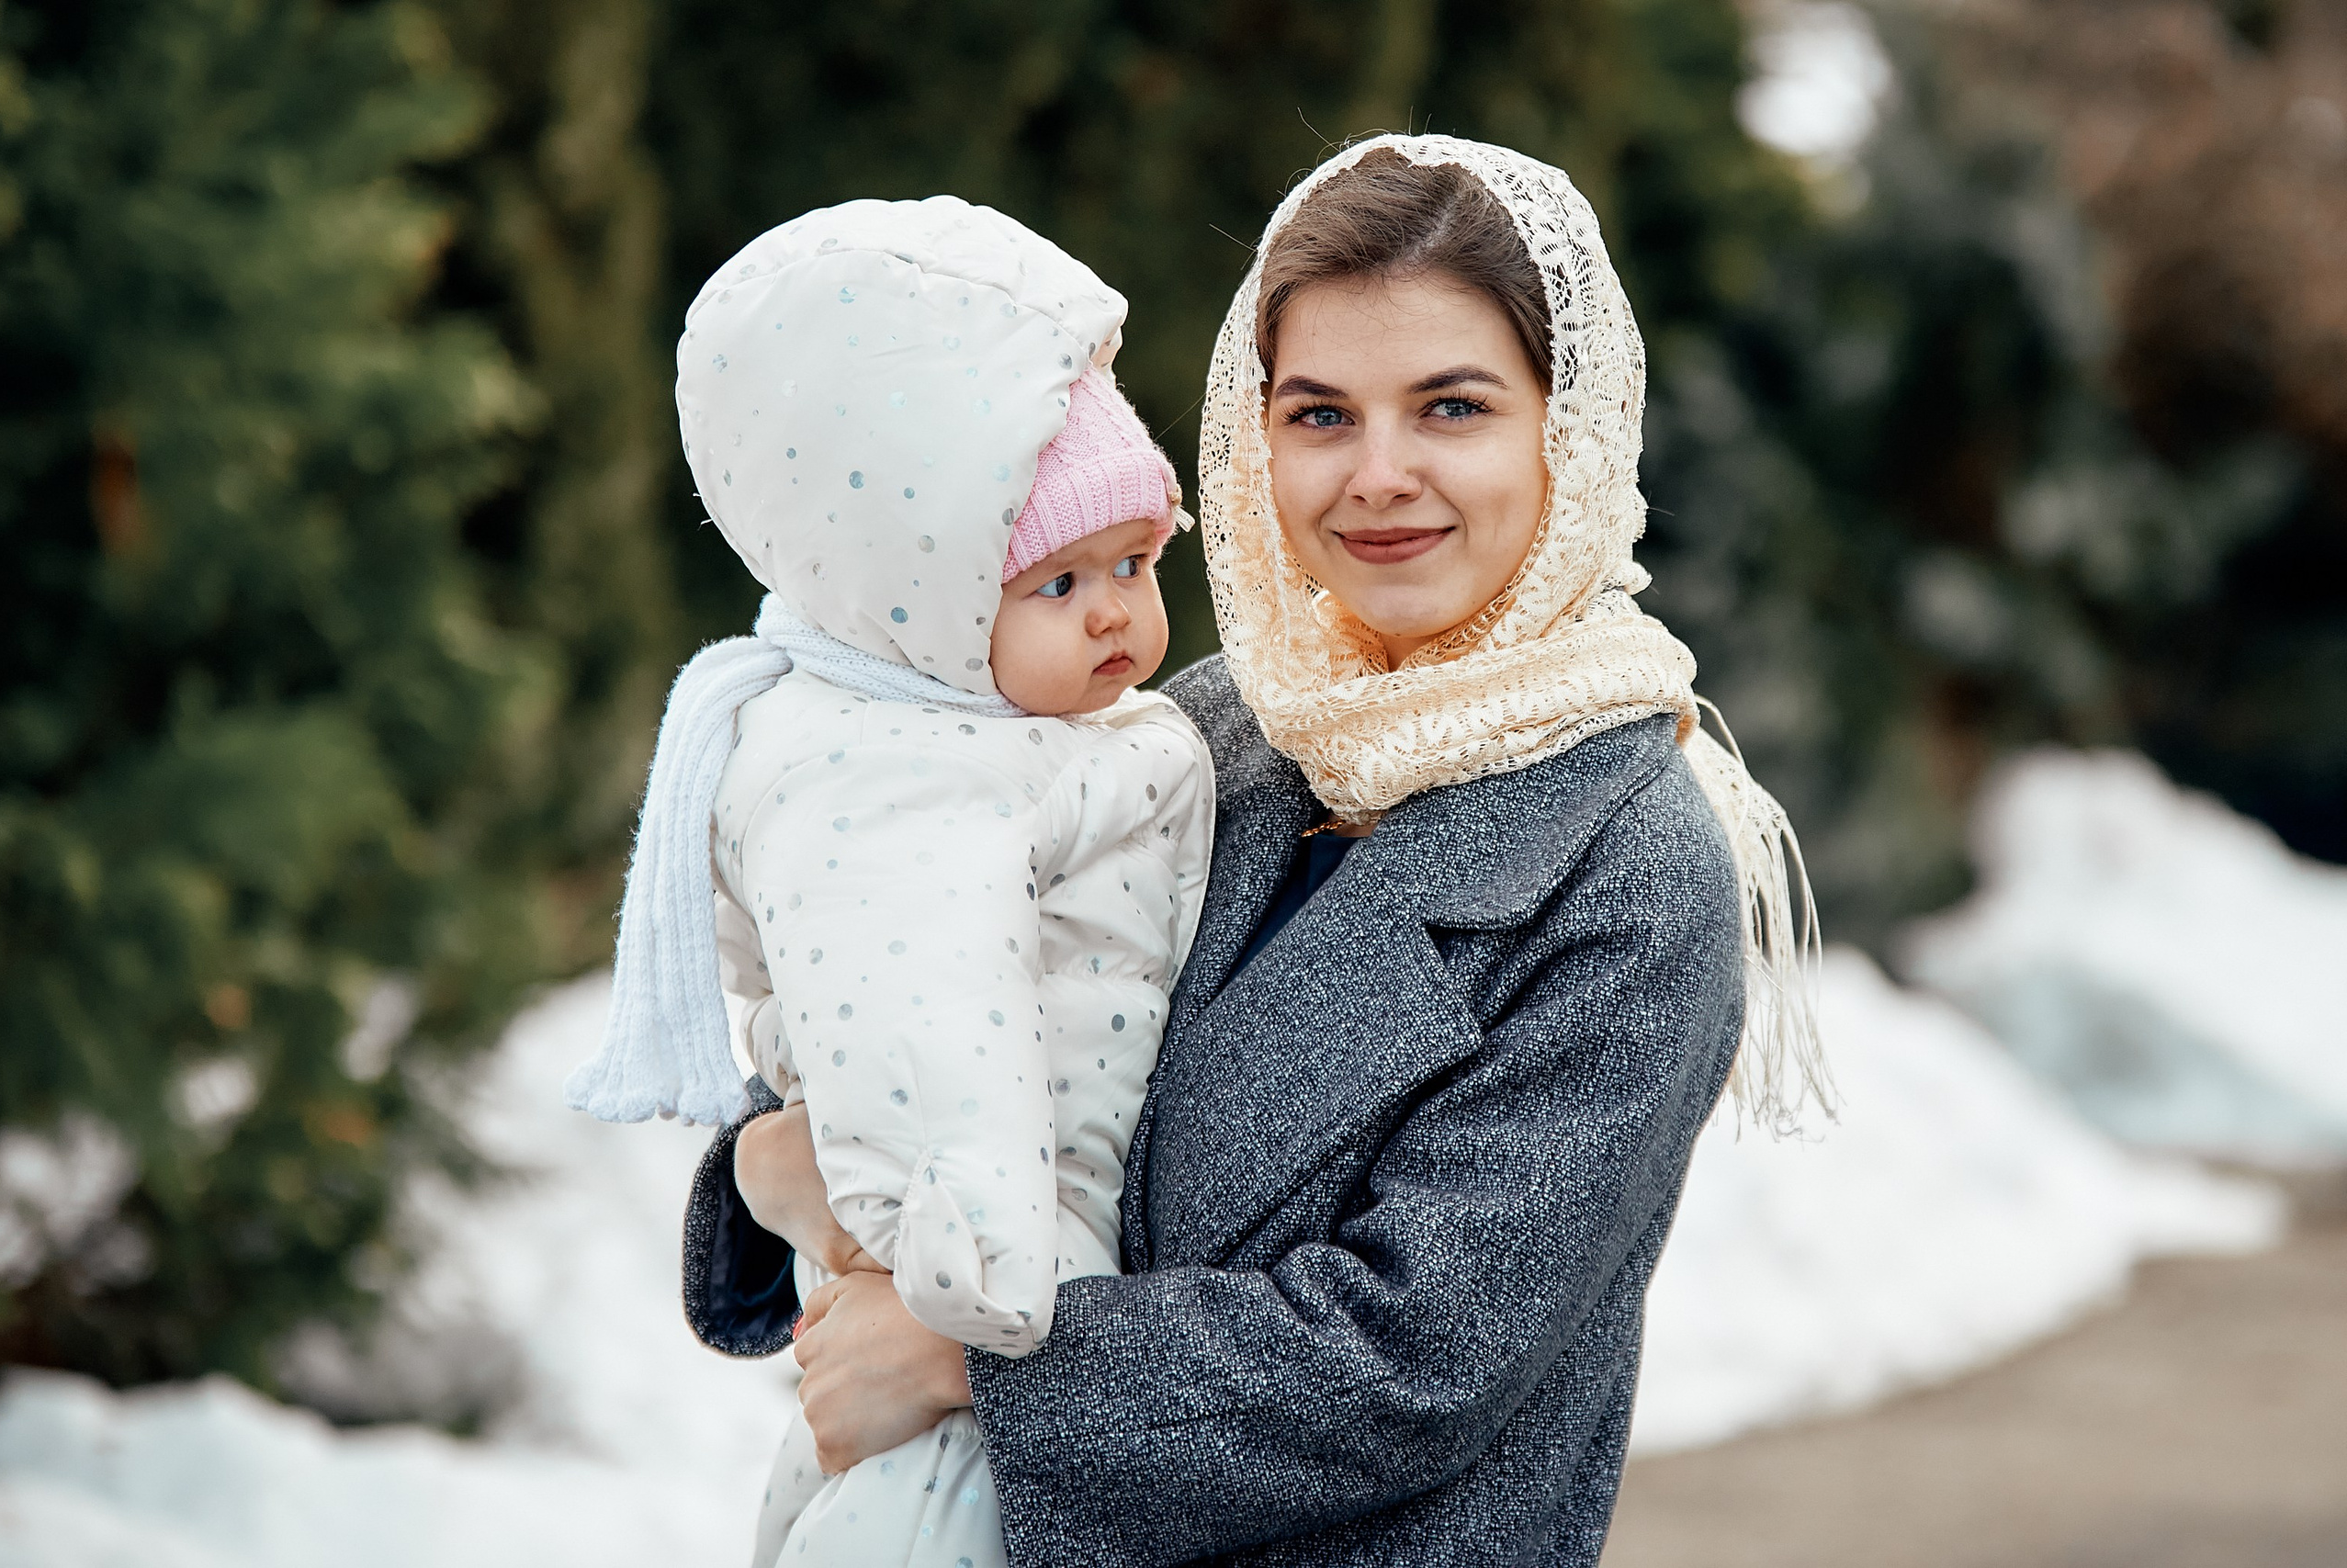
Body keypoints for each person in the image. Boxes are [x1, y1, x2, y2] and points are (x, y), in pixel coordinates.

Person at [689, 136, 1830, 1566]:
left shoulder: (1630, 864)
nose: (1380, 476)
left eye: (1454, 407)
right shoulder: (1213, 727)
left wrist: (970, 1366)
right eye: (1320, 415)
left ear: (1571, 425)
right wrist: (783, 1159)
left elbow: (1413, 1359)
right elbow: (942, 964)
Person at [563, 195, 1213, 1568]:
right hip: (981, 1313)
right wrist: (981, 1278)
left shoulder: (1000, 725)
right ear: (920, 590)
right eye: (1058, 583)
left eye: (1137, 562)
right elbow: (921, 1014)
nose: (1115, 610)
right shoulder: (900, 775)